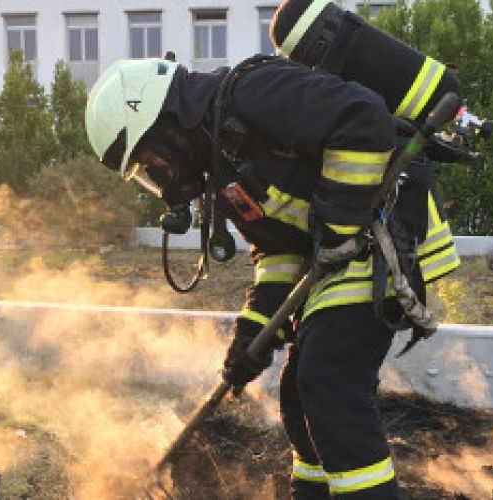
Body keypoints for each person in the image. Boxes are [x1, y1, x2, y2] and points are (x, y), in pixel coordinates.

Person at [85, 52, 459, 500]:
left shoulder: (253, 93)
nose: (160, 179)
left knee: (329, 382)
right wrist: (252, 332)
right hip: (338, 254)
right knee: (300, 396)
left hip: (380, 237)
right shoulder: (220, 169)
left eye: (151, 162)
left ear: (164, 124)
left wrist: (338, 223)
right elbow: (280, 251)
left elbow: (363, 118)